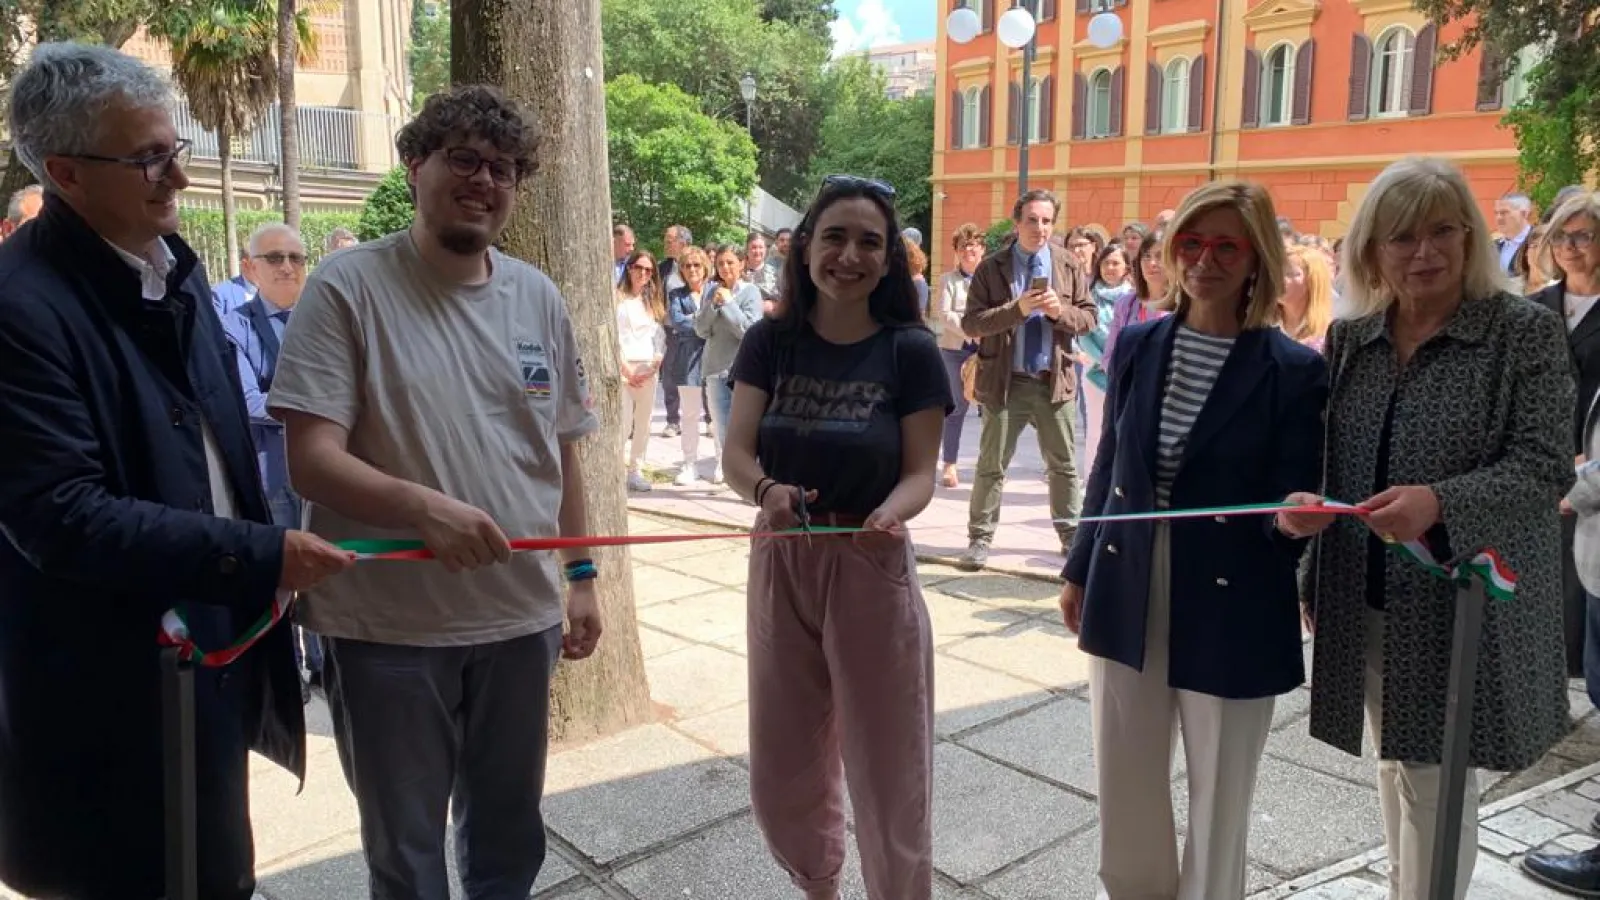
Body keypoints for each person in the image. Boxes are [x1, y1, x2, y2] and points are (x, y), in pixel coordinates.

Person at [0, 42, 351, 899]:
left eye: (175, 151)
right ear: (67, 174)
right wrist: (262, 555)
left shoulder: (170, 273)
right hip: (104, 694)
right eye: (148, 159)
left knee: (215, 866)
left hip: (206, 659)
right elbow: (63, 516)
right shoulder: (19, 309)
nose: (177, 180)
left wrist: (261, 560)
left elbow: (215, 452)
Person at [267, 84, 603, 900]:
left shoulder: (538, 296)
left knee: (507, 841)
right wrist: (426, 509)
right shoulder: (347, 286)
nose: (484, 180)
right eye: (463, 158)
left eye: (503, 168)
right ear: (415, 165)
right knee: (406, 854)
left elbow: (561, 453)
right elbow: (310, 460)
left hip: (519, 621)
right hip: (385, 630)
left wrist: (584, 578)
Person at [1278, 156, 1572, 900]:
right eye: (1401, 237)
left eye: (1442, 231)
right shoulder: (1354, 338)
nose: (1424, 253)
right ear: (1374, 248)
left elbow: (1544, 467)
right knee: (1401, 766)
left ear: (1471, 238)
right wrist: (1313, 563)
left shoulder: (1520, 333)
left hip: (1462, 599)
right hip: (1368, 593)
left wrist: (1439, 502)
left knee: (1435, 780)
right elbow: (1338, 463)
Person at [1062, 181, 1327, 900]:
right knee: (1125, 776)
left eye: (1225, 246)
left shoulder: (1295, 370)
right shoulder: (1142, 342)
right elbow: (1110, 461)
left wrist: (1290, 520)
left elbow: (1288, 497)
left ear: (1255, 259)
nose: (1205, 259)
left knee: (1221, 791)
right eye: (1191, 243)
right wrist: (1080, 565)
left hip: (1236, 592)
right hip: (1128, 575)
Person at [723, 174, 951, 900]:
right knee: (781, 768)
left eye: (869, 242)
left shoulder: (910, 351)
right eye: (835, 237)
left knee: (889, 769)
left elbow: (920, 471)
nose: (849, 255)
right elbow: (737, 453)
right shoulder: (769, 341)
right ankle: (818, 886)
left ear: (888, 261)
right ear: (805, 248)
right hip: (782, 558)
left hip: (869, 562)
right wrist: (765, 491)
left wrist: (894, 511)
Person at [959, 189, 1098, 569]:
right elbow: (972, 323)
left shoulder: (1068, 264)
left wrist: (1059, 313)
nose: (1040, 227)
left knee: (1064, 466)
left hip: (1054, 381)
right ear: (1017, 221)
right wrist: (1016, 309)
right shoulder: (992, 267)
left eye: (1047, 221)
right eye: (1033, 219)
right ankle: (979, 539)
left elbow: (1088, 317)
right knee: (991, 465)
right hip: (1006, 381)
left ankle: (1071, 539)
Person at [223, 222, 326, 688]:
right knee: (281, 575)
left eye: (296, 258)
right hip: (271, 472)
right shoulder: (232, 327)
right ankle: (289, 671)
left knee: (324, 570)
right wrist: (317, 406)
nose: (287, 267)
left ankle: (325, 665)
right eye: (275, 258)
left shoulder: (327, 320)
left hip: (326, 475)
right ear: (249, 268)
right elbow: (244, 402)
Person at [1529, 190, 1600, 762]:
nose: (1572, 248)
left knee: (1580, 587)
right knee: (1540, 589)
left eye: (1584, 235)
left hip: (1591, 466)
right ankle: (1545, 699)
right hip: (1540, 462)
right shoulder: (1535, 307)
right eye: (1562, 237)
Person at [695, 244, 763, 485]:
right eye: (721, 263)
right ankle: (729, 472)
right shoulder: (712, 290)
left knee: (744, 429)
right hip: (715, 370)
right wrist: (714, 305)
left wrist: (729, 303)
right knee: (721, 428)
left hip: (742, 372)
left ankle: (752, 478)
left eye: (730, 262)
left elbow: (748, 331)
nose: (725, 267)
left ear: (742, 263)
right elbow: (701, 329)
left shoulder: (751, 292)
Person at [1075, 242, 1136, 478]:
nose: (1110, 268)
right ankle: (1093, 480)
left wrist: (1118, 361)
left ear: (1126, 268)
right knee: (1096, 428)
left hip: (1126, 368)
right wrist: (1103, 360)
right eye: (1105, 263)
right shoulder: (1088, 297)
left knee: (1124, 426)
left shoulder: (1133, 298)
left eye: (1115, 263)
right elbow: (1084, 334)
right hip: (1095, 368)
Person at [931, 224, 984, 489]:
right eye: (963, 246)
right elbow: (944, 312)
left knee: (993, 410)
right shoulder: (947, 280)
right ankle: (949, 464)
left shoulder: (992, 279)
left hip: (988, 351)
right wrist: (970, 330)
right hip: (955, 350)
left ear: (982, 249)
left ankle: (989, 465)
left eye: (973, 245)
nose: (968, 251)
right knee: (956, 409)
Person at [616, 248, 666, 493]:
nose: (644, 274)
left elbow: (659, 336)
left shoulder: (653, 300)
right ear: (629, 268)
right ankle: (616, 468)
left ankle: (635, 470)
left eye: (649, 270)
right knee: (623, 424)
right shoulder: (616, 297)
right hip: (624, 368)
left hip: (648, 368)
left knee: (643, 424)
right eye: (639, 268)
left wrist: (656, 361)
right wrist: (625, 369)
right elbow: (611, 336)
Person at [665, 246, 712, 485]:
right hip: (688, 360)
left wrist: (695, 322)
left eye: (696, 265)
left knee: (718, 414)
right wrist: (704, 321)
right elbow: (677, 322)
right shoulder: (676, 295)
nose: (692, 269)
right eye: (687, 265)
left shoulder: (715, 290)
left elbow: (720, 321)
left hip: (715, 357)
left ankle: (722, 463)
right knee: (690, 414)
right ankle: (689, 463)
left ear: (705, 267)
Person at [1280, 244, 1333, 352]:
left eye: (1290, 273)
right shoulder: (1263, 326)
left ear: (1312, 282)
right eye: (1277, 273)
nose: (1280, 279)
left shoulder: (1328, 336)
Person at [1494, 191, 1534, 274]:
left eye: (1504, 212)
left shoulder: (1539, 242)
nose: (1498, 218)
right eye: (1496, 213)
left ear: (1524, 214)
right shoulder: (1493, 246)